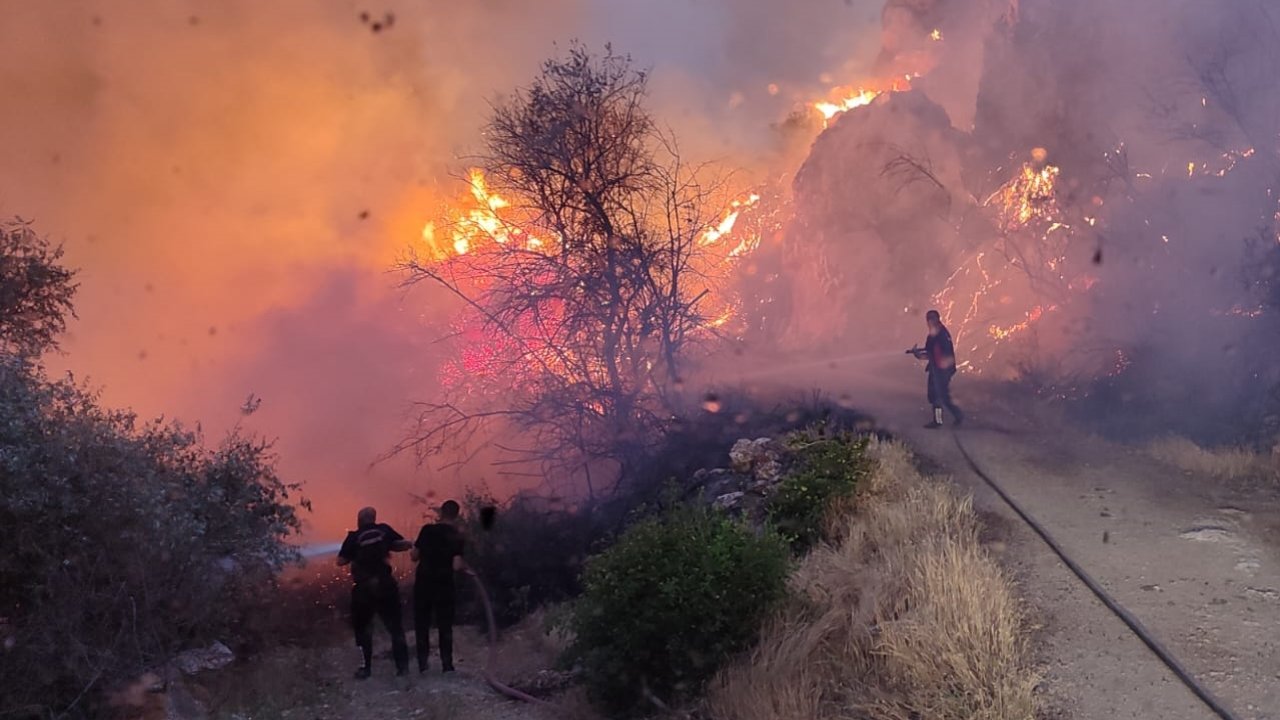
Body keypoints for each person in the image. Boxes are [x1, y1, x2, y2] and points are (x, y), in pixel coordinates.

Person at [337, 506, 412, 679]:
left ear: (359, 520)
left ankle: (366, 668)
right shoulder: (384, 530)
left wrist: (353, 555)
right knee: (395, 628)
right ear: (374, 518)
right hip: (386, 585)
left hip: (363, 589)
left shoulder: (353, 537)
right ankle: (402, 667)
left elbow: (340, 561)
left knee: (363, 629)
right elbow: (399, 545)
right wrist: (408, 544)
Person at [412, 499, 474, 674]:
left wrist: (416, 548)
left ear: (441, 513)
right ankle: (447, 665)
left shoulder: (427, 530)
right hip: (444, 584)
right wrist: (466, 569)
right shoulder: (456, 535)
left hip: (423, 582)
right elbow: (456, 565)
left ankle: (422, 664)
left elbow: (414, 556)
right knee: (445, 625)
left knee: (422, 623)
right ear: (456, 515)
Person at [911, 309, 964, 428]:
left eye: (930, 319)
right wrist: (919, 354)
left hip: (941, 370)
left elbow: (935, 354)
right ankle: (958, 415)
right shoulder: (936, 333)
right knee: (942, 396)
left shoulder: (940, 334)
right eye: (928, 319)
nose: (928, 322)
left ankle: (938, 421)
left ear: (936, 319)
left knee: (936, 395)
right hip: (938, 369)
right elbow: (930, 351)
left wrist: (920, 355)